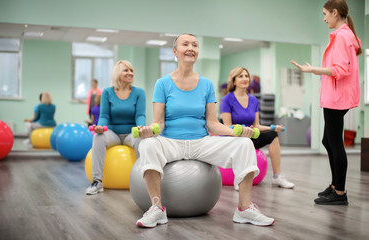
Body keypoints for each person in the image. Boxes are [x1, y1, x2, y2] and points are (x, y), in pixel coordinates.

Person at [135, 34, 274, 228]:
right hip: (171, 142)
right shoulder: (163, 84)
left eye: (194, 45)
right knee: (147, 144)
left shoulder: (206, 84)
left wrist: (237, 132)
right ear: (175, 51)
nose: (191, 47)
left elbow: (212, 123)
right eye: (185, 44)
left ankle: (244, 209)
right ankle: (157, 209)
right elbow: (159, 123)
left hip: (201, 142)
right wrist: (150, 130)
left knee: (244, 144)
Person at [291, 0, 361, 205]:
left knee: (335, 143)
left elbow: (340, 70)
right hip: (337, 96)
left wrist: (312, 69)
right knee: (327, 141)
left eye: (325, 14)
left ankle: (340, 192)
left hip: (337, 98)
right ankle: (334, 186)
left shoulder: (342, 37)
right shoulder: (346, 35)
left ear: (335, 13)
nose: (324, 19)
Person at [221, 67, 294, 189]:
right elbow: (227, 126)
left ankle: (277, 177)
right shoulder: (227, 99)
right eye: (240, 76)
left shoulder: (253, 100)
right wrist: (242, 129)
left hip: (250, 136)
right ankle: (240, 179)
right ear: (233, 81)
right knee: (243, 140)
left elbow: (256, 126)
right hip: (233, 138)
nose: (245, 79)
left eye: (246, 76)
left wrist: (273, 128)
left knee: (272, 136)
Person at [85, 60, 146, 195]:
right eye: (126, 70)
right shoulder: (107, 92)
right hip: (112, 132)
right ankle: (97, 181)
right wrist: (101, 126)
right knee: (98, 137)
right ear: (117, 73)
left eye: (131, 70)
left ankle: (144, 182)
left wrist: (141, 126)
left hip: (131, 132)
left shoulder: (139, 92)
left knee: (141, 141)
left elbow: (140, 115)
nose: (130, 73)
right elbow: (104, 115)